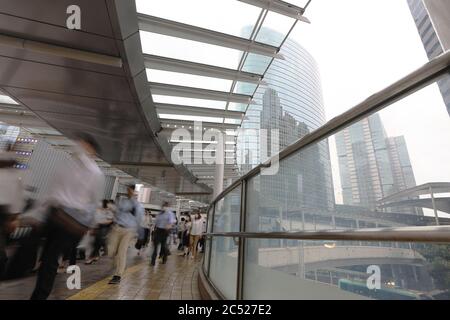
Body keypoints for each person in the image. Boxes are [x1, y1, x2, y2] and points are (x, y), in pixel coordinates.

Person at [30, 132, 104, 300]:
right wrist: (39, 213)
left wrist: (89, 227)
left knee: (50, 259)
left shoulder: (95, 173)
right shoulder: (67, 165)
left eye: (83, 144)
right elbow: (52, 191)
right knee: (39, 253)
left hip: (72, 223)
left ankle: (39, 296)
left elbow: (94, 202)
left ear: (91, 149)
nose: (78, 145)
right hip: (55, 214)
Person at [107, 185, 144, 285]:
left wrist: (140, 235)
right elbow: (117, 212)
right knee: (111, 251)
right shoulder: (123, 201)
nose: (128, 191)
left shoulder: (138, 205)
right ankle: (117, 263)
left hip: (128, 230)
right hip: (117, 227)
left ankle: (118, 275)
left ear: (133, 191)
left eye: (130, 190)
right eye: (127, 190)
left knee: (121, 252)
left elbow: (139, 220)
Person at [0, 145, 23, 277]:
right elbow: (17, 197)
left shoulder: (14, 175)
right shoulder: (15, 175)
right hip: (4, 212)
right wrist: (15, 218)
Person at [85, 199, 114, 264]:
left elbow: (111, 220)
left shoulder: (108, 211)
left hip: (103, 227)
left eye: (103, 203)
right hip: (96, 226)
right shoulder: (98, 210)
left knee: (97, 242)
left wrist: (103, 223)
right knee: (93, 242)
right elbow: (94, 218)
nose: (101, 205)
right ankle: (94, 255)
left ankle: (91, 257)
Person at [150, 202, 175, 266]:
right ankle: (153, 261)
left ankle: (165, 257)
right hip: (158, 231)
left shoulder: (170, 214)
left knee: (163, 246)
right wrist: (154, 230)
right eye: (163, 206)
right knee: (155, 246)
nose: (164, 207)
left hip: (165, 231)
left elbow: (171, 222)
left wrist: (169, 226)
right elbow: (156, 223)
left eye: (165, 206)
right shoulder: (159, 214)